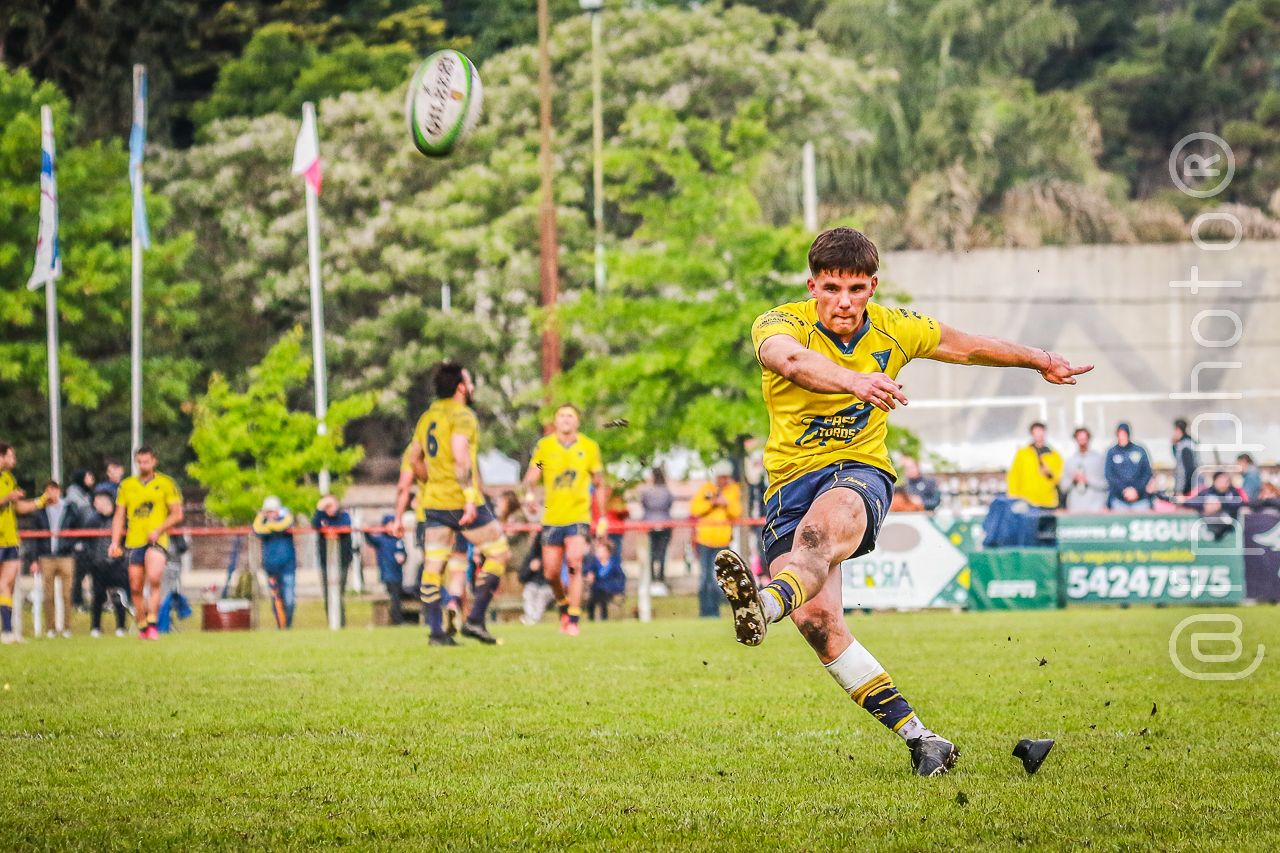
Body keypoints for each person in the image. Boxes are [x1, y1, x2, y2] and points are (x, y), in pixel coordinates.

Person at [712, 227, 1092, 777]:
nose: (845, 302)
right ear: (812, 284)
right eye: (833, 288)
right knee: (819, 623)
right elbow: (789, 361)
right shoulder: (780, 322)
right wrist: (853, 380)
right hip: (788, 483)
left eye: (857, 289)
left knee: (818, 537)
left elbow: (970, 347)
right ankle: (923, 739)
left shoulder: (897, 327)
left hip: (857, 472)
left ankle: (765, 606)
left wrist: (1040, 359)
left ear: (872, 286)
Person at [393, 361, 509, 645]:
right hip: (459, 500)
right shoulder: (463, 415)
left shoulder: (427, 417)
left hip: (433, 502)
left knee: (433, 566)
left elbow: (414, 459)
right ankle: (475, 619)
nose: (471, 388)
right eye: (469, 382)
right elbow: (460, 453)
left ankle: (436, 633)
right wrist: (469, 497)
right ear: (460, 388)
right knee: (499, 554)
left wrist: (432, 480)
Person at [521, 403, 606, 636]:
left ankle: (574, 620)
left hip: (579, 516)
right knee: (550, 573)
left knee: (575, 563)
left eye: (570, 415)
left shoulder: (589, 447)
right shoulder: (545, 447)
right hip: (552, 518)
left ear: (577, 422)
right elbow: (531, 476)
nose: (566, 419)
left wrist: (603, 518)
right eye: (561, 415)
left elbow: (599, 484)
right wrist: (528, 494)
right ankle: (563, 607)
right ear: (555, 422)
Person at [109, 446, 184, 640]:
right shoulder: (127, 485)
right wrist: (115, 542)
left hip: (157, 540)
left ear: (154, 461)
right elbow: (119, 515)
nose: (143, 465)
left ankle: (152, 624)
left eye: (146, 461)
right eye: (139, 462)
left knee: (154, 578)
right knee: (135, 587)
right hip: (134, 541)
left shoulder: (166, 483)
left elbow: (177, 514)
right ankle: (142, 626)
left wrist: (159, 529)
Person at [690, 461, 742, 618]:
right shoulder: (707, 489)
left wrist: (726, 504)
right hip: (704, 541)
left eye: (726, 477)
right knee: (704, 577)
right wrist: (712, 503)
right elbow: (695, 509)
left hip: (722, 542)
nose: (724, 481)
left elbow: (737, 512)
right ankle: (704, 611)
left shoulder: (734, 491)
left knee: (718, 578)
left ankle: (715, 612)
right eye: (721, 477)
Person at [1, 443, 40, 643]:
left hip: (10, 539)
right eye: (11, 456)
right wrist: (7, 497)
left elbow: (17, 507)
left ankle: (7, 630)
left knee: (7, 584)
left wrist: (41, 502)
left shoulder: (8, 478)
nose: (14, 460)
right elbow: (7, 500)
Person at [30, 480, 79, 637]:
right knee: (48, 595)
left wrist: (69, 545)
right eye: (47, 491)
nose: (50, 494)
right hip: (46, 556)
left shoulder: (69, 509)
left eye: (53, 490)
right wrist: (34, 559)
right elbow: (35, 537)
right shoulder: (40, 511)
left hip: (65, 556)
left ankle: (66, 627)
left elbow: (76, 529)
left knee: (67, 595)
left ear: (59, 491)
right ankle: (50, 627)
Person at [81, 488, 129, 637]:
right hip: (98, 565)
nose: (95, 503)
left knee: (119, 597)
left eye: (98, 500)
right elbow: (86, 543)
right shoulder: (92, 521)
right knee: (98, 597)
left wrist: (120, 558)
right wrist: (93, 560)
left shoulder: (121, 520)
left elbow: (127, 543)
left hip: (118, 565)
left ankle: (121, 627)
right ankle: (95, 627)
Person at [253, 496, 297, 629]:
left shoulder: (286, 521)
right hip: (271, 568)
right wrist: (264, 519)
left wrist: (271, 525)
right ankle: (281, 626)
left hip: (288, 566)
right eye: (268, 511)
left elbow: (284, 524)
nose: (270, 514)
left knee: (289, 600)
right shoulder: (262, 525)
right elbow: (257, 529)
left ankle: (287, 625)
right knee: (276, 600)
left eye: (273, 511)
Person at [313, 495, 353, 627]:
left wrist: (328, 526)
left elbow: (344, 525)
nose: (329, 509)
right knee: (327, 593)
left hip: (342, 561)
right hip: (326, 562)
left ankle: (341, 623)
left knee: (338, 592)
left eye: (331, 505)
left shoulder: (344, 516)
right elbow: (315, 524)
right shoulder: (321, 516)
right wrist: (319, 509)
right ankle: (331, 622)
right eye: (326, 507)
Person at [366, 512, 408, 625]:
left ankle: (399, 619)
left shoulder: (398, 540)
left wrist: (403, 557)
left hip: (398, 574)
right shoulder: (381, 540)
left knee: (399, 596)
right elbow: (371, 540)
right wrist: (366, 531)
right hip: (388, 574)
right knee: (395, 597)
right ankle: (397, 620)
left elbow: (403, 554)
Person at [1007, 422, 1062, 508]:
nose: (1039, 435)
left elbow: (1059, 477)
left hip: (1047, 501)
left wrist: (1050, 474)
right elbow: (1014, 475)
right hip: (1027, 500)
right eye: (1036, 432)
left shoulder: (1054, 455)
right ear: (1032, 434)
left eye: (1041, 432)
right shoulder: (1023, 453)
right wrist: (1013, 497)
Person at [64, 469, 96, 610]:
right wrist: (75, 540)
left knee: (94, 573)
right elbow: (74, 521)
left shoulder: (87, 496)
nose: (91, 479)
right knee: (79, 575)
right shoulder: (74, 499)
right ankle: (77, 602)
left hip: (90, 541)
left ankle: (95, 601)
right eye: (88, 476)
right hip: (79, 542)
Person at [1105, 423, 1153, 512]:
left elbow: (1147, 473)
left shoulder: (1139, 450)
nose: (1122, 437)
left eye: (1124, 434)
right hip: (1119, 500)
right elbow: (1110, 475)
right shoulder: (1112, 452)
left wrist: (1136, 490)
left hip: (1140, 499)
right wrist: (1124, 490)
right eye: (1120, 434)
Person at [639, 466, 674, 589]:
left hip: (649, 525)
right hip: (665, 524)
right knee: (662, 552)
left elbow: (643, 504)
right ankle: (660, 578)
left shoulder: (647, 492)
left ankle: (653, 578)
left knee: (652, 552)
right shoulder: (666, 491)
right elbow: (670, 504)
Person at [1187, 472, 1249, 540]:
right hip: (1209, 522)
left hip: (1229, 522)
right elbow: (1189, 502)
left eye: (1226, 481)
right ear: (1215, 481)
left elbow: (1240, 503)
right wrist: (1204, 505)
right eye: (1220, 481)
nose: (1223, 484)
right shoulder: (1207, 492)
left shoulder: (1233, 492)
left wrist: (1221, 505)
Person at [1060, 427, 1108, 511]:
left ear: (1089, 439)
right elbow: (1063, 487)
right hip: (1076, 508)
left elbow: (1105, 484)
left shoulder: (1099, 459)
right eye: (1079, 439)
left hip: (1096, 507)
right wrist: (1073, 479)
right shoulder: (1070, 461)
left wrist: (1088, 480)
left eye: (1084, 438)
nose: (1082, 442)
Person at [517, 529, 554, 625]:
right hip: (534, 584)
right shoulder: (531, 556)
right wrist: (530, 568)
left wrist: (543, 566)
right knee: (529, 592)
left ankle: (534, 619)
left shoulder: (554, 555)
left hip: (549, 586)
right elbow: (522, 577)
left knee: (542, 595)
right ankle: (530, 617)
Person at [584, 537, 626, 621]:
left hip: (609, 589)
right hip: (596, 589)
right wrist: (589, 576)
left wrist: (618, 591)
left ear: (608, 553)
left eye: (601, 552)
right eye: (597, 552)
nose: (598, 554)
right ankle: (591, 618)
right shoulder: (594, 563)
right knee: (592, 600)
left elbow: (620, 578)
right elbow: (587, 571)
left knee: (603, 601)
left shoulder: (614, 565)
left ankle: (604, 618)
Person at [1171, 419, 1198, 499]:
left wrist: (1183, 490)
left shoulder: (1185, 447)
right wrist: (1173, 445)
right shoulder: (1188, 443)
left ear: (1177, 430)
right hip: (1189, 487)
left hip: (1187, 489)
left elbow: (1188, 469)